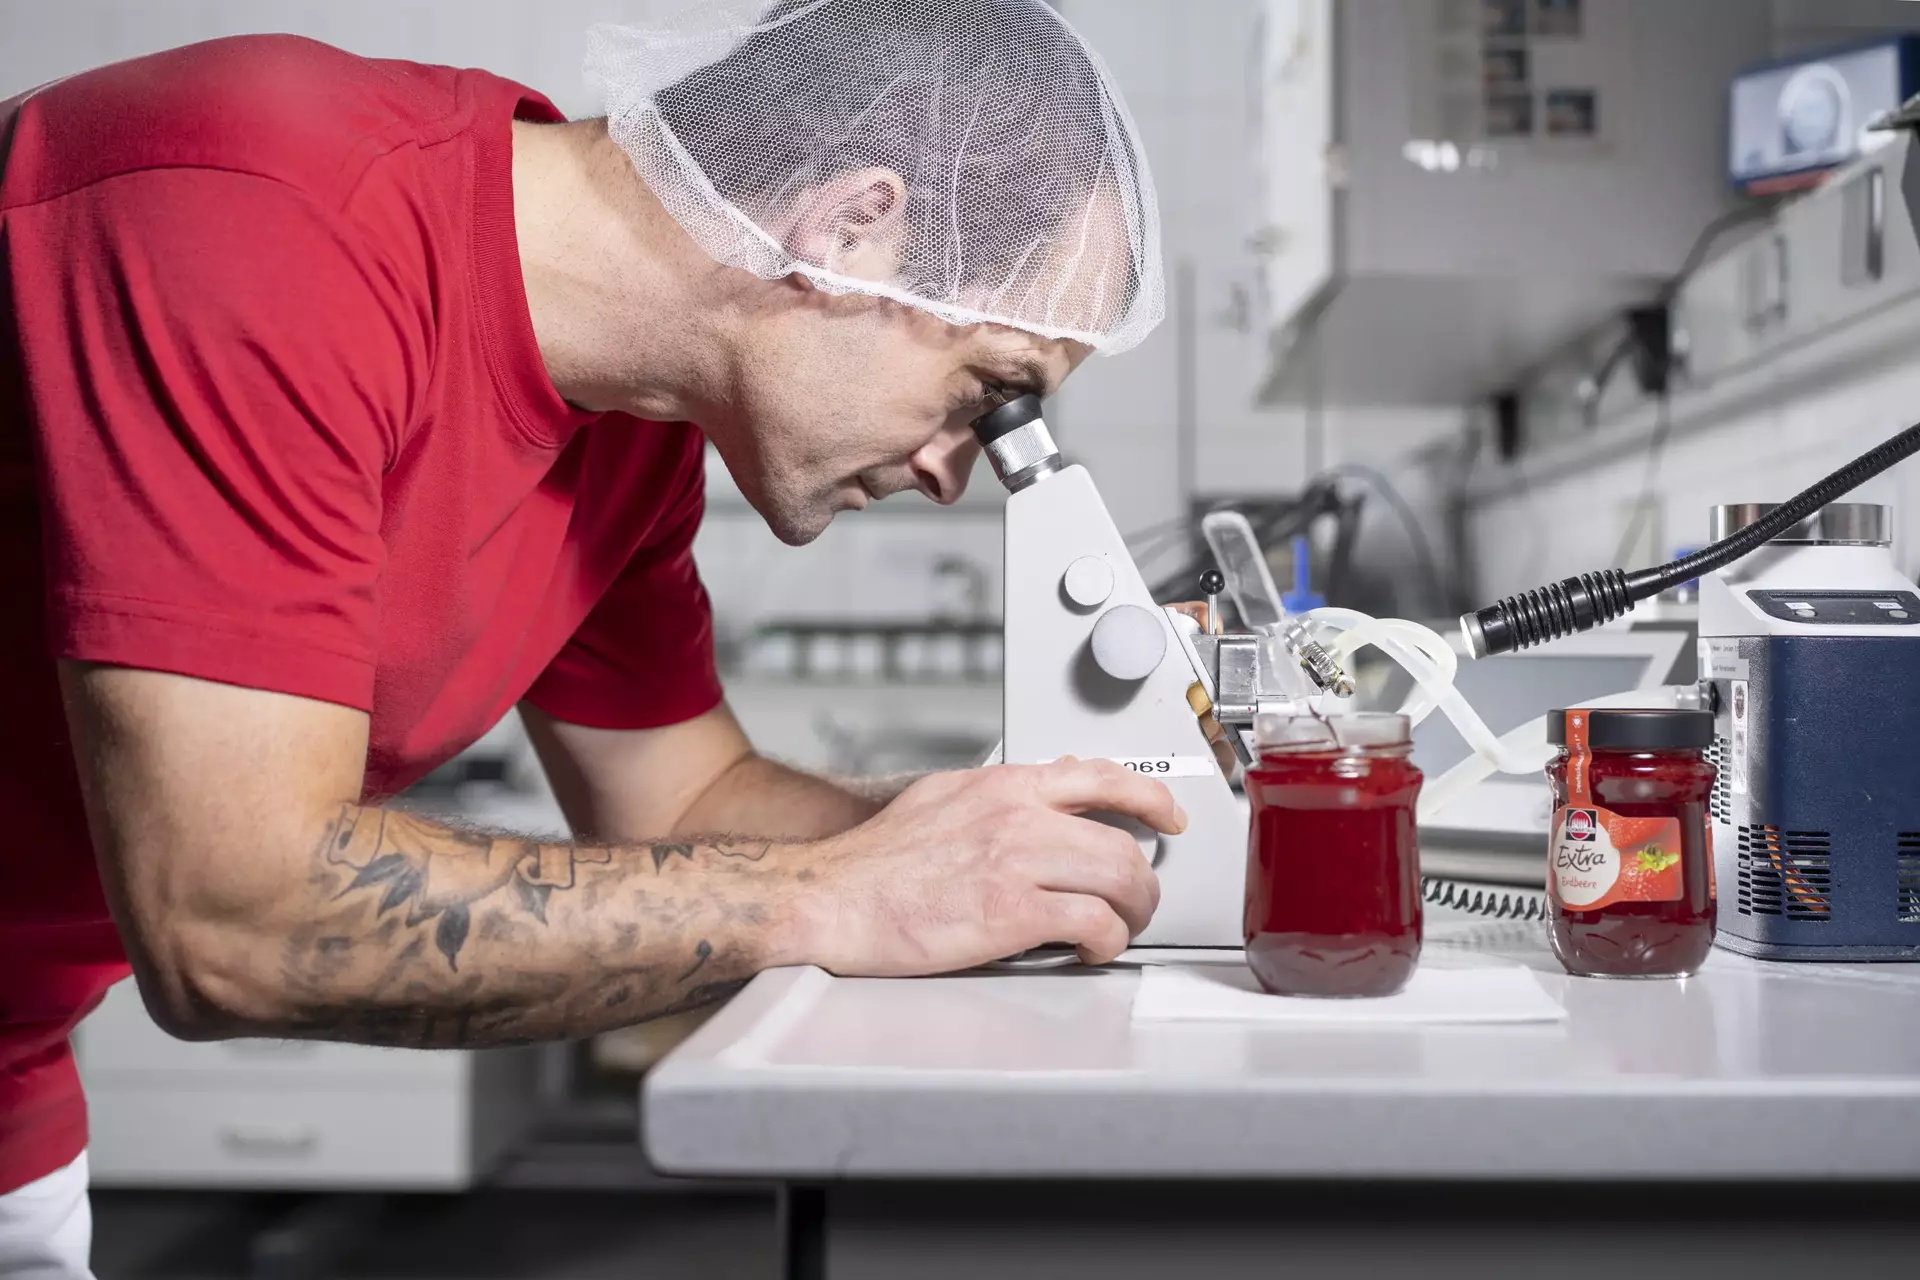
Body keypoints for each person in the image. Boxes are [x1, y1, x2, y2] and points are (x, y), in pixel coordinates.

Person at [0, 1, 1172, 1272]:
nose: (956, 473)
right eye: (983, 395)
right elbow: (232, 918)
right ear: (852, 225)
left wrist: (1030, 840)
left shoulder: (631, 434)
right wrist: (842, 891)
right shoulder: (256, 206)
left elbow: (683, 805)